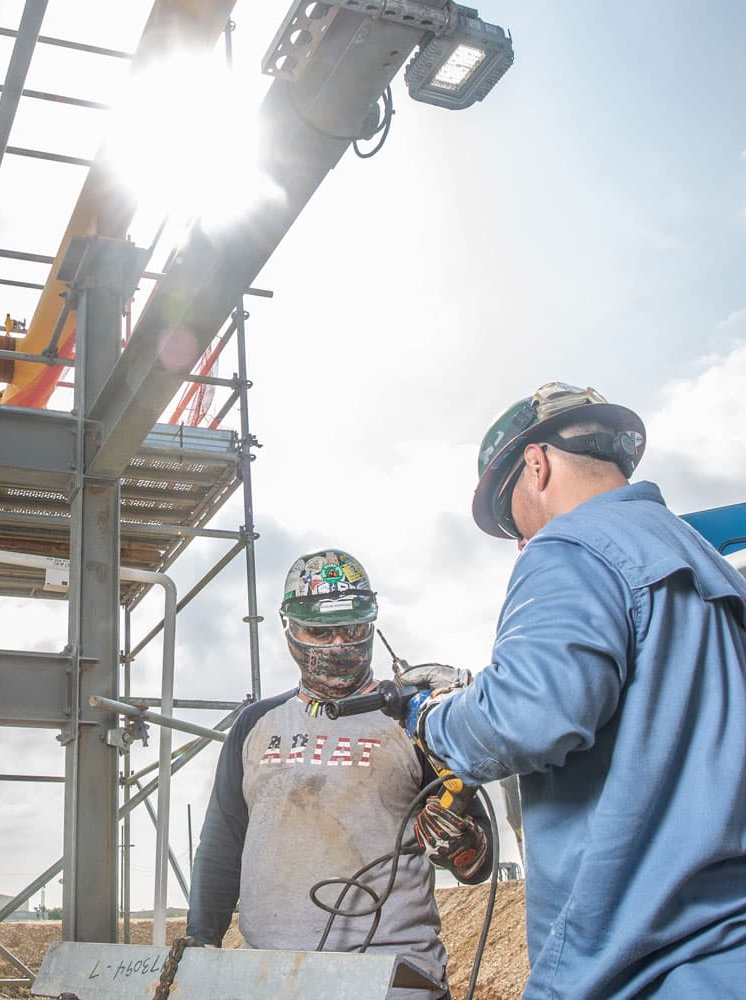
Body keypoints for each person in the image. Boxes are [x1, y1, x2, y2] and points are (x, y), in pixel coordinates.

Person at [405, 382, 746, 998]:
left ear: (536, 464)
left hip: (638, 960)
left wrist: (431, 718)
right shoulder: (709, 563)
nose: (518, 539)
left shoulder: (569, 546)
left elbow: (528, 716)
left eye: (511, 515)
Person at [186, 548, 492, 997]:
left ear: (371, 625)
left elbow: (476, 860)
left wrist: (463, 847)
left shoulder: (417, 721)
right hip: (270, 980)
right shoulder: (255, 726)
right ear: (288, 628)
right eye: (321, 632)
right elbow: (222, 846)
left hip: (392, 980)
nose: (337, 645)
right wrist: (201, 939)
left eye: (351, 630)